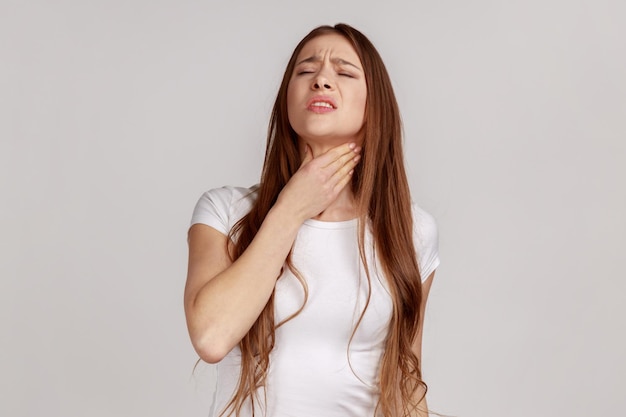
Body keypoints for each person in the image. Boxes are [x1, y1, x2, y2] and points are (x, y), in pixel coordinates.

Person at [184, 23, 440, 417]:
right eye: (306, 71)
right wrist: (292, 208)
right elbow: (212, 337)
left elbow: (406, 381)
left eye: (344, 72)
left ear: (376, 106)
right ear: (287, 99)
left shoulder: (411, 230)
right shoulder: (225, 212)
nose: (321, 79)